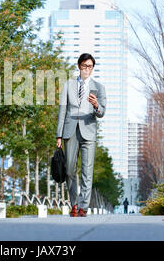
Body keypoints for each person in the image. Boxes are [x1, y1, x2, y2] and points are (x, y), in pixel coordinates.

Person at [56, 53, 106, 217]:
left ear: (93, 68)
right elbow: (62, 110)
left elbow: (102, 112)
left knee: (87, 170)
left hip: (88, 130)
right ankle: (74, 204)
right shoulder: (68, 85)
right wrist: (59, 135)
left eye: (90, 66)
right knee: (70, 169)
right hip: (70, 130)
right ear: (79, 66)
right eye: (84, 66)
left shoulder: (99, 87)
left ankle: (83, 206)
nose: (87, 69)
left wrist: (96, 105)